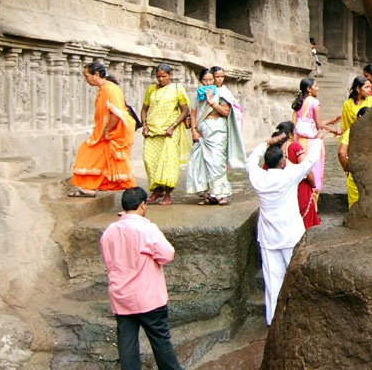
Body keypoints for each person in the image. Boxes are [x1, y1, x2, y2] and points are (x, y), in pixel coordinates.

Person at [99, 187, 208, 370]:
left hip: (120, 295)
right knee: (160, 340)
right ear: (142, 206)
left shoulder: (110, 231)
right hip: (147, 295)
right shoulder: (146, 229)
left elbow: (108, 258)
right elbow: (167, 254)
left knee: (127, 343)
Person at [246, 128, 329, 325]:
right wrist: (317, 140)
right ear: (282, 162)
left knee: (273, 282)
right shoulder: (289, 175)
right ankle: (298, 318)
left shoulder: (259, 177)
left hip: (268, 237)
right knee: (296, 276)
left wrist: (267, 142)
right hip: (290, 234)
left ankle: (273, 320)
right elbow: (310, 161)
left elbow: (250, 161)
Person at [70, 61, 136, 197]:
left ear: (96, 74)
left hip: (114, 134)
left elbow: (115, 114)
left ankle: (134, 199)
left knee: (118, 164)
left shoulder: (109, 89)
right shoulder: (106, 88)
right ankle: (89, 187)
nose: (86, 80)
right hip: (106, 133)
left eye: (87, 76)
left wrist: (107, 130)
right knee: (98, 158)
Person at [186, 67, 246, 205]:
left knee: (217, 162)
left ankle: (222, 194)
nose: (208, 83)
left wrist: (212, 102)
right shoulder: (197, 94)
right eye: (205, 80)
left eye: (210, 80)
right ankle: (209, 194)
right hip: (203, 130)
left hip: (218, 130)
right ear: (201, 81)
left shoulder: (221, 92)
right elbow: (194, 113)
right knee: (204, 162)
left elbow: (226, 111)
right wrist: (194, 130)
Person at [140, 63, 191, 206]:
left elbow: (184, 111)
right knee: (150, 160)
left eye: (164, 76)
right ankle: (157, 190)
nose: (161, 79)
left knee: (168, 162)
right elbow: (144, 109)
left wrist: (173, 126)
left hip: (170, 131)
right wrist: (144, 125)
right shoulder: (151, 90)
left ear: (170, 75)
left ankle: (167, 194)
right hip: (152, 130)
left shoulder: (177, 89)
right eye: (158, 76)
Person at [291, 78, 341, 206]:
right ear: (309, 89)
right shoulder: (314, 102)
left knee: (303, 174)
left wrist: (330, 121)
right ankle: (312, 207)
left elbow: (307, 123)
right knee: (315, 173)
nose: (317, 88)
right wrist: (335, 130)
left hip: (299, 142)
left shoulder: (298, 103)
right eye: (316, 86)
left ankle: (302, 205)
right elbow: (318, 126)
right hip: (312, 143)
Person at [273, 122, 320, 229]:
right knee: (305, 225)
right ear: (290, 135)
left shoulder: (272, 149)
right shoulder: (294, 147)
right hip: (299, 189)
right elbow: (307, 169)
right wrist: (313, 184)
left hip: (279, 190)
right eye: (294, 133)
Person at [338, 106, 369, 208]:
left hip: (355, 172)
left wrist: (346, 168)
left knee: (355, 205)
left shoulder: (350, 132)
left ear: (359, 117)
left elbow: (342, 153)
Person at [340, 76, 372, 140]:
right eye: (366, 87)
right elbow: (345, 126)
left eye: (370, 87)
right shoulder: (348, 104)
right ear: (358, 89)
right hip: (353, 137)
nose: (369, 90)